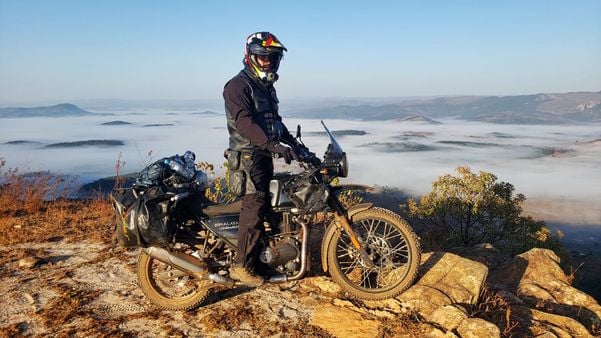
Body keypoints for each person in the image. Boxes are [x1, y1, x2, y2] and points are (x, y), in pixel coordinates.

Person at [223, 32, 311, 286]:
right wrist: (273, 145)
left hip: (262, 156)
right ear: (250, 57)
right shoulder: (238, 86)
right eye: (263, 57)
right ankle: (241, 266)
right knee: (255, 206)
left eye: (272, 58)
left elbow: (275, 123)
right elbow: (244, 123)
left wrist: (295, 144)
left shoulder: (266, 88)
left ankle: (268, 257)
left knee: (274, 205)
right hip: (248, 158)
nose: (268, 63)